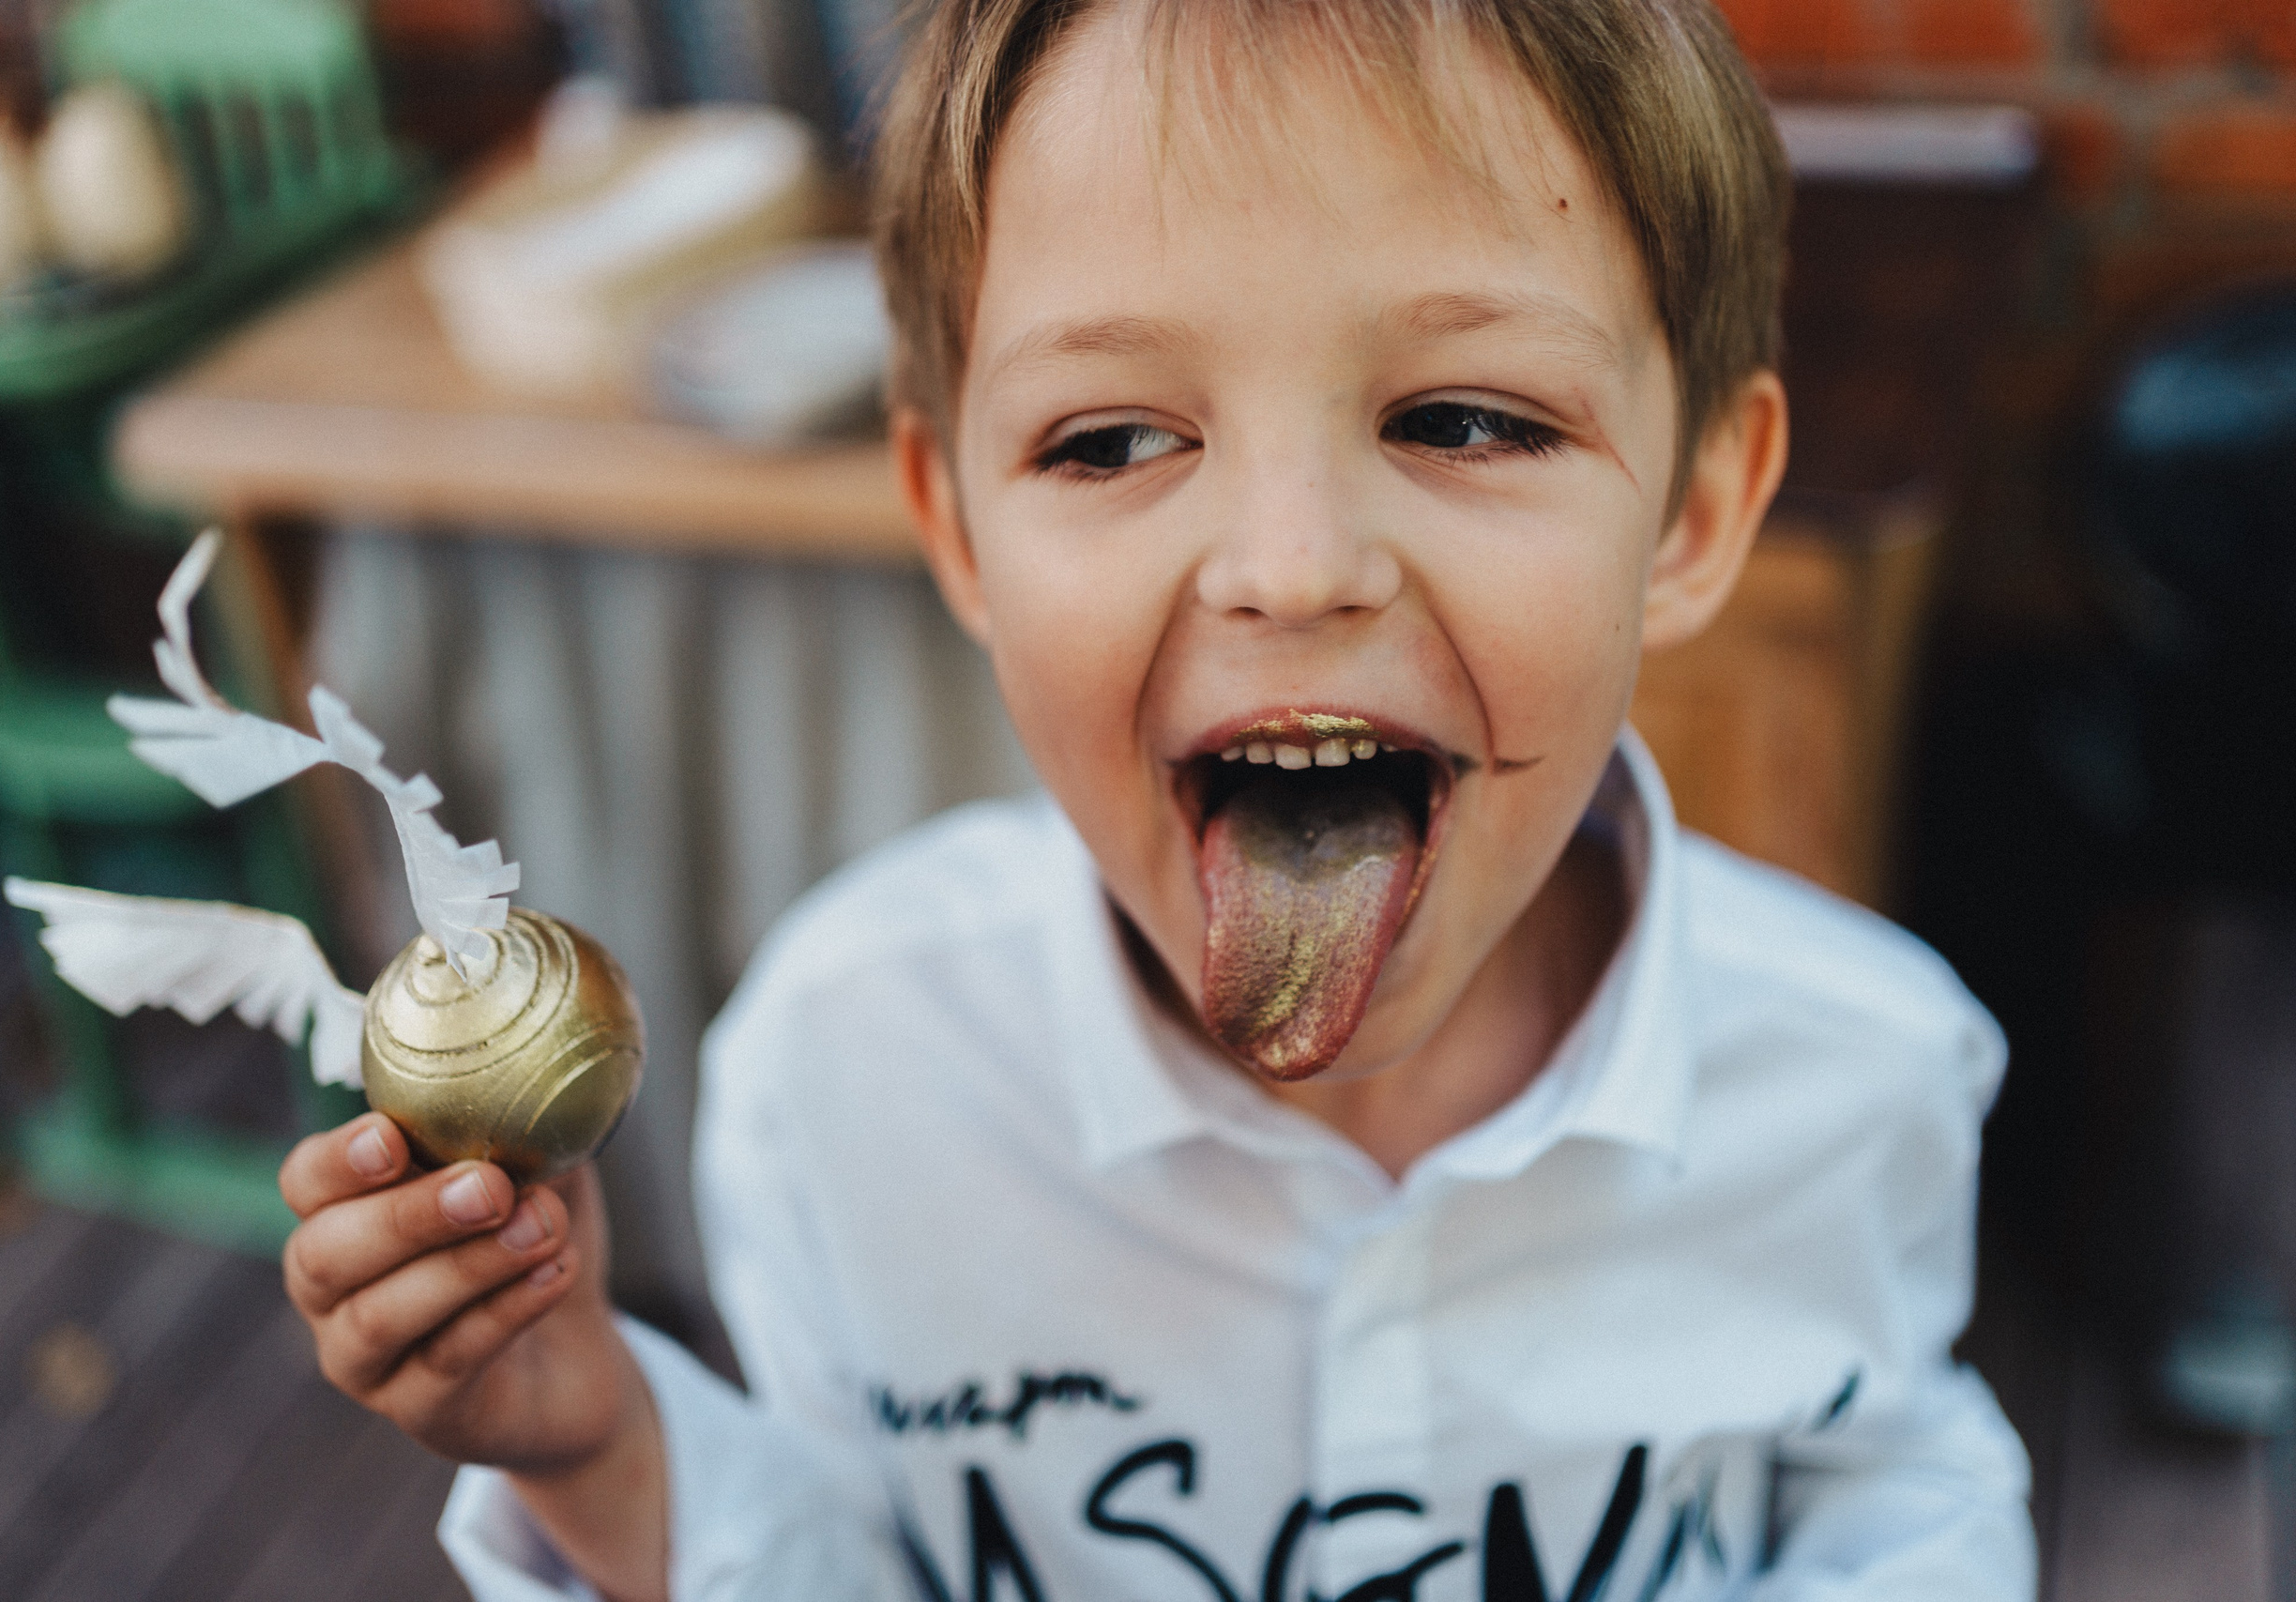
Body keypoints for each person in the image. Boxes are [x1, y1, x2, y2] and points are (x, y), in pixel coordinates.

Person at [276, 1, 2035, 1596]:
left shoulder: (1860, 1073)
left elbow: (1898, 1490)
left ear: (1697, 514)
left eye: (1464, 420)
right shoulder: (844, 1075)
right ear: (958, 526)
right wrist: (603, 1459)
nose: (1293, 567)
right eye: (1113, 438)